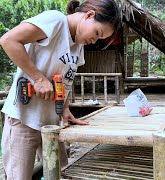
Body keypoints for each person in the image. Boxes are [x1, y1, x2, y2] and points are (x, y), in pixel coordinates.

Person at [0, 0, 121, 179]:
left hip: (50, 123)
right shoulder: (55, 21)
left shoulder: (79, 45)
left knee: (60, 172)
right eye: (97, 33)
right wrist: (38, 78)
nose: (94, 40)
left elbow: (66, 81)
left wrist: (64, 109)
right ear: (89, 15)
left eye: (99, 39)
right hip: (24, 119)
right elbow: (8, 40)